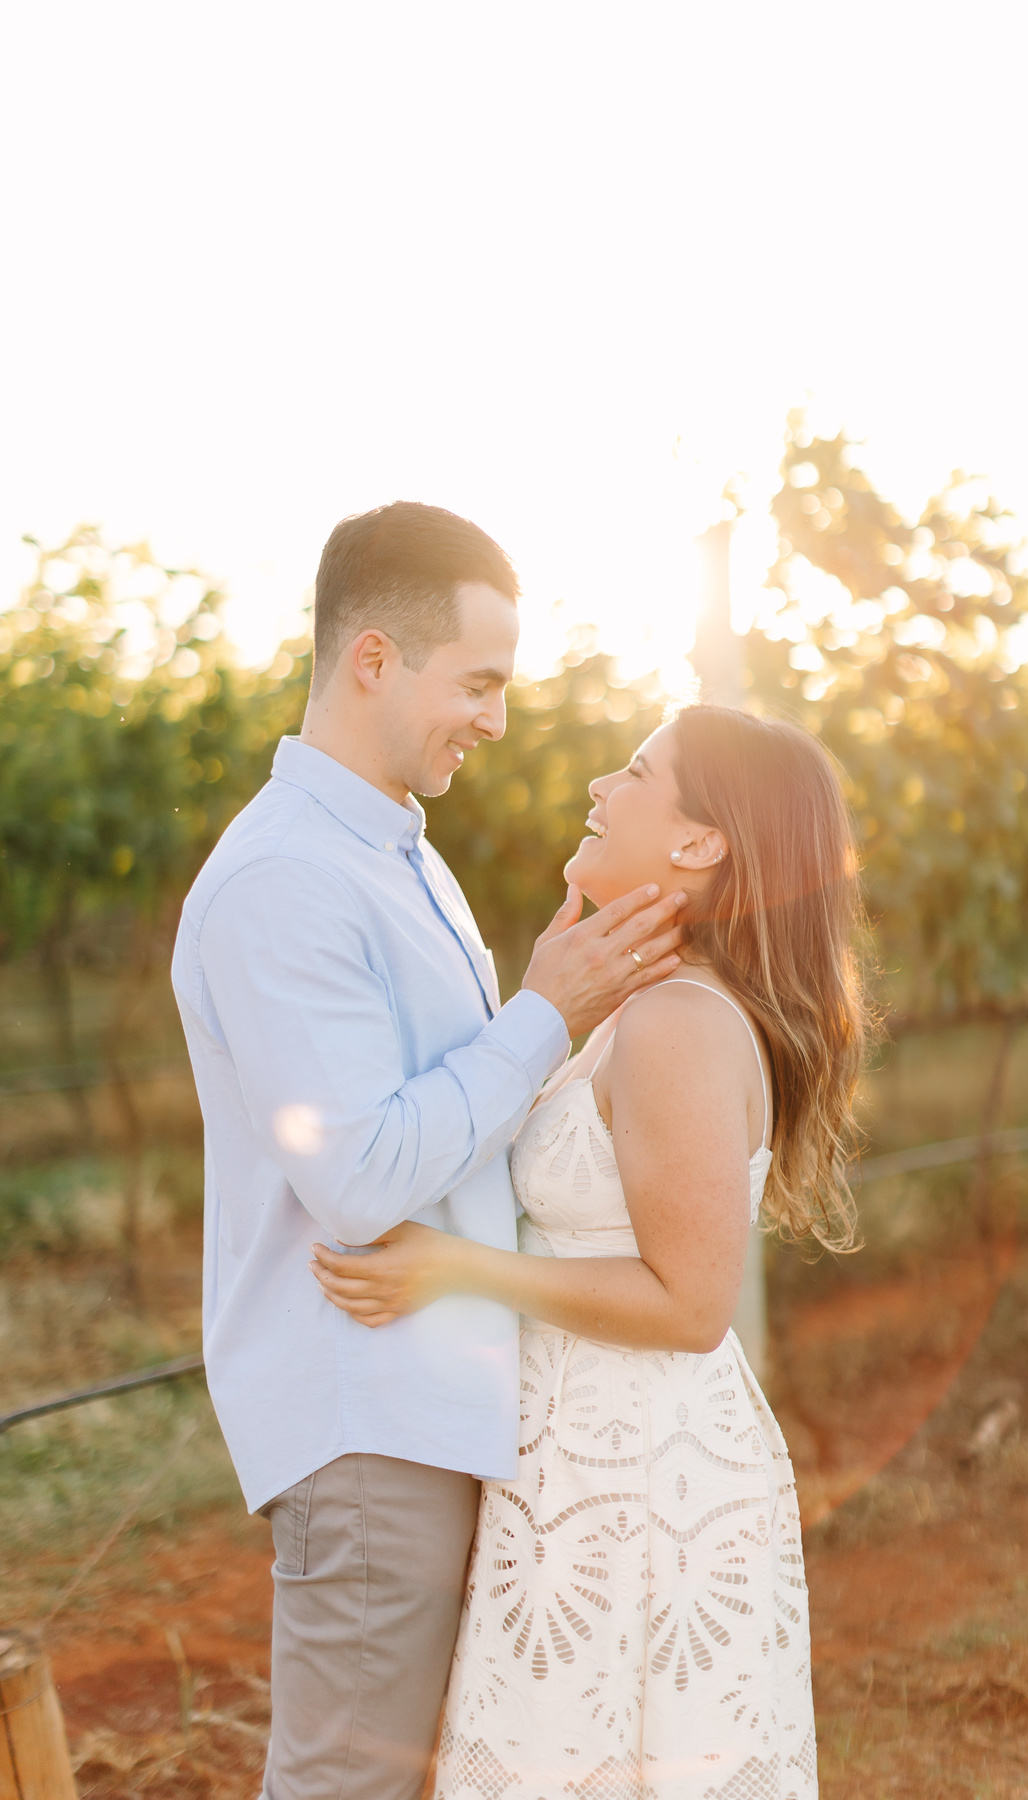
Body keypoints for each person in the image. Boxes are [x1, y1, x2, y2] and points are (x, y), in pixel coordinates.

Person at [171, 501, 688, 1800]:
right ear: (373, 661)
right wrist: (546, 1013)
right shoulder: (285, 883)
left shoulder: (400, 859)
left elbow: (457, 1133)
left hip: (431, 1409)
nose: (498, 719)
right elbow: (354, 1179)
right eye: (479, 683)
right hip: (367, 1425)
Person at [313, 703, 865, 1800]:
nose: (599, 790)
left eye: (635, 771)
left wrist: (454, 1268)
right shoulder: (643, 1009)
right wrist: (541, 1001)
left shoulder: (679, 1023)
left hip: (641, 1475)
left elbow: (690, 1303)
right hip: (590, 1456)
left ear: (701, 841)